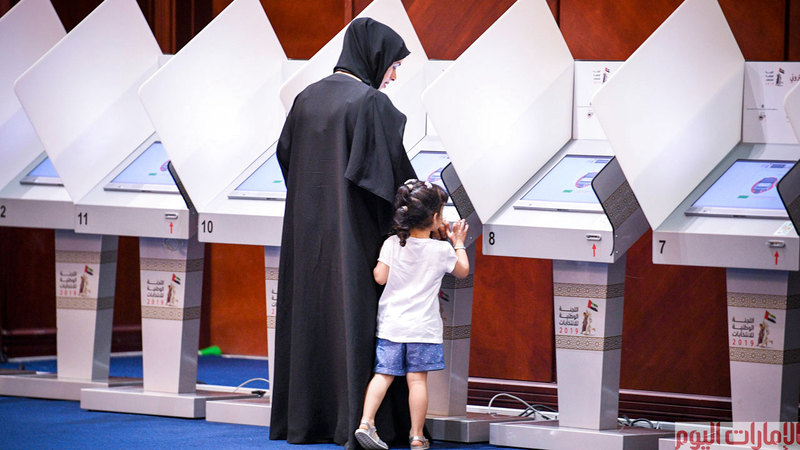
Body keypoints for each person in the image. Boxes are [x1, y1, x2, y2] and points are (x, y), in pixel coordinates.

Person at [269, 17, 419, 449]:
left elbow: (287, 159)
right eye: (394, 65)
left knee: (309, 317)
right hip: (355, 235)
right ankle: (362, 422)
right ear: (374, 57)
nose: (393, 76)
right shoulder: (369, 102)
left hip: (305, 233)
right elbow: (391, 180)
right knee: (356, 318)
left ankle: (306, 421)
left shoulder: (306, 98)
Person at [354, 180, 469, 450]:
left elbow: (380, 277)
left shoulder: (392, 243)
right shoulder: (441, 250)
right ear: (435, 218)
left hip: (391, 325)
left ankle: (366, 423)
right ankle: (417, 436)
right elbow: (462, 271)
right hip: (423, 328)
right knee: (417, 380)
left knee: (383, 375)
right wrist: (457, 243)